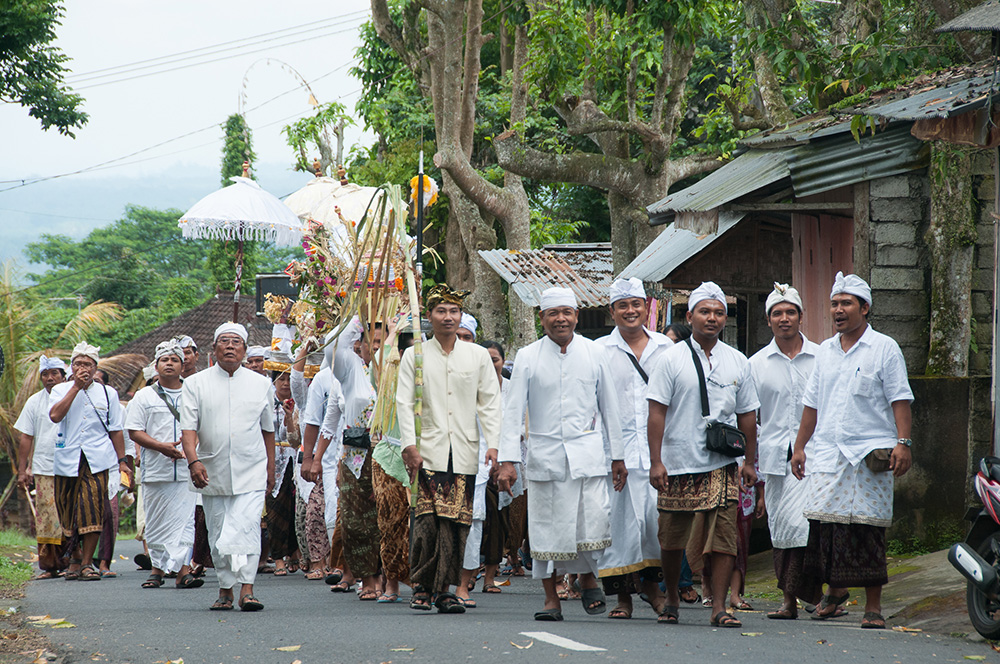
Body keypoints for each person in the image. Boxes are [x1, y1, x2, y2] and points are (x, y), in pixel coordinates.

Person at [790, 272, 913, 630]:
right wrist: (799, 447)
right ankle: (833, 592)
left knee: (867, 530)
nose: (838, 310)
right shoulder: (825, 352)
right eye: (834, 304)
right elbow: (811, 405)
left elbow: (900, 400)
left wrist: (903, 443)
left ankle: (873, 607)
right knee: (826, 529)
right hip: (828, 453)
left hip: (869, 457)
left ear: (865, 308)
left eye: (846, 304)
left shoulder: (885, 348)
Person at [496, 287, 627, 622]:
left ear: (576, 316)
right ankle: (551, 598)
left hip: (588, 456)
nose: (560, 319)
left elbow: (610, 407)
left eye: (566, 312)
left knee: (590, 523)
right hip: (546, 458)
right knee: (546, 529)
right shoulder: (528, 356)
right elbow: (512, 412)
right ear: (542, 318)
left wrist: (618, 457)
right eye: (553, 313)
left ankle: (586, 578)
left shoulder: (594, 353)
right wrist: (508, 461)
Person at [646, 281, 759, 628]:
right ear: (690, 316)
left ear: (725, 318)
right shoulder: (670, 359)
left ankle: (719, 607)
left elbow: (748, 416)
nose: (712, 318)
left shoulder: (737, 361)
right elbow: (656, 412)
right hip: (677, 461)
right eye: (705, 311)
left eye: (719, 312)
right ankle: (673, 599)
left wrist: (750, 462)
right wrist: (656, 461)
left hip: (721, 463)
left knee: (725, 537)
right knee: (671, 537)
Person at [397, 284, 502, 614]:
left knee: (457, 525)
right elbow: (403, 403)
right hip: (428, 451)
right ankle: (422, 587)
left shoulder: (478, 355)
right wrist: (409, 446)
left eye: (453, 311)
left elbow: (489, 404)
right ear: (429, 316)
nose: (448, 317)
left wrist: (495, 445)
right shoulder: (415, 355)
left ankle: (445, 590)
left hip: (465, 452)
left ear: (461, 316)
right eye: (441, 311)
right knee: (427, 522)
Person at [180, 322, 276, 612]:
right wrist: (193, 460)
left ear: (245, 350)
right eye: (224, 341)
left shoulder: (262, 384)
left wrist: (271, 468)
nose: (230, 346)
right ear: (214, 349)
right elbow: (188, 430)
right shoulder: (195, 384)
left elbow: (268, 430)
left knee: (246, 527)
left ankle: (247, 589)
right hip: (211, 470)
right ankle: (225, 590)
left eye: (236, 342)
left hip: (252, 468)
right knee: (219, 531)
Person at [596, 278, 674, 619]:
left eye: (636, 304)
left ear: (647, 308)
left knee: (655, 524)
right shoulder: (598, 350)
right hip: (616, 453)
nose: (630, 311)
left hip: (660, 453)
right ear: (612, 311)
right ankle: (623, 598)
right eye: (623, 305)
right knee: (620, 526)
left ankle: (656, 590)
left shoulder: (667, 349)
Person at [746, 283, 820, 619]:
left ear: (801, 317)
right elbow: (749, 414)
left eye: (791, 312)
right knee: (782, 525)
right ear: (768, 320)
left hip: (817, 456)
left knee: (807, 523)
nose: (784, 318)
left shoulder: (822, 357)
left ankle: (813, 596)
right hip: (775, 457)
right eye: (777, 313)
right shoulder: (757, 364)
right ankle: (789, 600)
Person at [49, 342, 133, 582]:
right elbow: (55, 416)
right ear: (71, 368)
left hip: (97, 460)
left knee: (92, 509)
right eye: (78, 364)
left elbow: (116, 429)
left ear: (96, 368)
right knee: (67, 511)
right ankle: (74, 559)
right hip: (67, 459)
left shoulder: (108, 393)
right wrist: (75, 387)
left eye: (87, 364)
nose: (83, 368)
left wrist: (122, 461)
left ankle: (87, 564)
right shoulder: (60, 390)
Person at [126, 340, 203, 590]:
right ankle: (157, 570)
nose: (169, 363)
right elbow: (135, 431)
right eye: (164, 360)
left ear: (183, 366)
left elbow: (203, 426)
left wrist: (190, 450)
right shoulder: (144, 396)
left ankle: (183, 572)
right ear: (156, 365)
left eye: (175, 360)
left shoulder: (194, 393)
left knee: (184, 521)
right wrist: (161, 447)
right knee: (157, 521)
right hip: (155, 470)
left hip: (186, 470)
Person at [315, 317, 382, 601]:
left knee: (388, 519)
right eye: (372, 342)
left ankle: (387, 579)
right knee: (356, 521)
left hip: (391, 454)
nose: (377, 348)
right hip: (356, 457)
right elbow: (331, 345)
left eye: (383, 342)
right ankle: (367, 577)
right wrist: (358, 312)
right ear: (360, 344)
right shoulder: (351, 370)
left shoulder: (402, 370)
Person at [15, 355, 68, 579]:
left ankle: (75, 562)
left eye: (54, 373)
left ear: (64, 376)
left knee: (71, 514)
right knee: (47, 516)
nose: (49, 378)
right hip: (45, 467)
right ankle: (50, 566)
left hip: (73, 466)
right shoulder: (35, 402)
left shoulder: (73, 397)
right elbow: (26, 437)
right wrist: (22, 470)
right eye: (45, 374)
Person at [266, 368, 299, 576]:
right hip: (273, 459)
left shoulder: (299, 403)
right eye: (281, 379)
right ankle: (277, 557)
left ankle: (294, 553)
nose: (286, 384)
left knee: (294, 507)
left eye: (289, 379)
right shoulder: (267, 402)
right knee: (274, 508)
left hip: (293, 457)